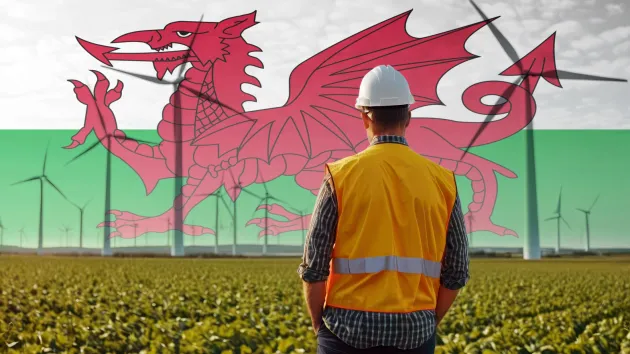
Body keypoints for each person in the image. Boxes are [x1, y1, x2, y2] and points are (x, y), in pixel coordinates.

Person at [297, 65, 470, 353]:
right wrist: (428, 322)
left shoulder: (340, 176)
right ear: (409, 116)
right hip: (415, 332)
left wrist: (319, 327)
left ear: (364, 115)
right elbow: (457, 269)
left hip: (345, 330)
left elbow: (314, 267)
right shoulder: (443, 182)